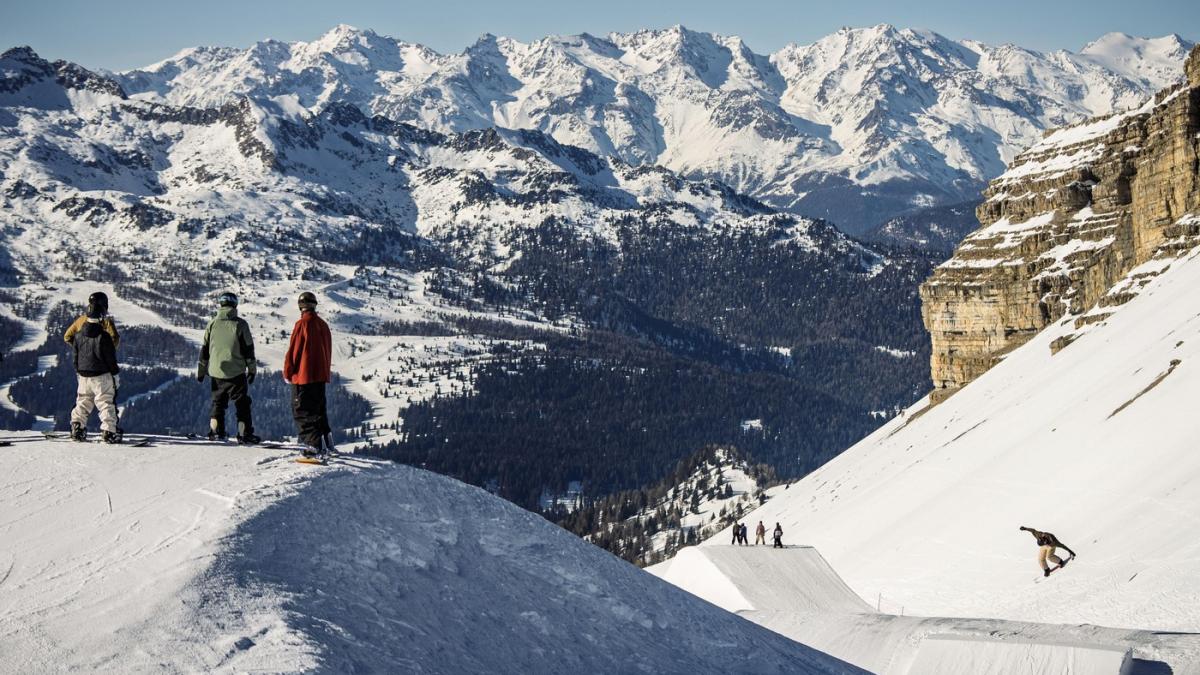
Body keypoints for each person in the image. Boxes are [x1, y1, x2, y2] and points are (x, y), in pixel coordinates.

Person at [197, 292, 260, 444]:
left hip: (216, 372)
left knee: (218, 403)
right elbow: (248, 349)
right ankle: (244, 434)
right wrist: (252, 370)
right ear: (235, 305)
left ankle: (216, 431)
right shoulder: (240, 324)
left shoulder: (212, 324)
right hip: (236, 372)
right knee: (242, 403)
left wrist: (201, 370)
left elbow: (205, 350)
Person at [65, 293, 121, 443]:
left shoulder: (78, 335)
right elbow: (110, 358)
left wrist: (81, 364)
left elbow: (75, 355)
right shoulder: (104, 336)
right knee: (105, 402)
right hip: (101, 374)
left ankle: (77, 427)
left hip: (83, 374)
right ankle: (109, 431)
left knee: (83, 401)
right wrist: (115, 374)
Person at [283, 291, 334, 456]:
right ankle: (327, 441)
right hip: (320, 377)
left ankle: (312, 447)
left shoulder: (302, 324)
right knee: (318, 411)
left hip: (303, 377)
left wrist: (288, 372)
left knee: (303, 412)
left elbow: (294, 351)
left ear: (300, 306)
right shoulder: (323, 325)